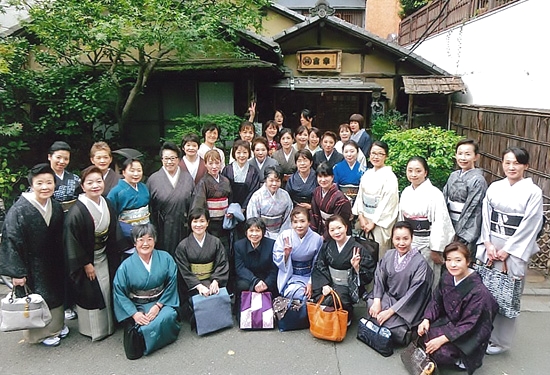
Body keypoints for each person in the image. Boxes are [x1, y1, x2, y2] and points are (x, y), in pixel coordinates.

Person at [476, 146, 543, 355]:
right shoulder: (495, 187)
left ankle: (500, 341)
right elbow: (486, 217)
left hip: (514, 248)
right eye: (507, 162)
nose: (511, 167)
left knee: (508, 292)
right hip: (492, 242)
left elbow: (531, 224)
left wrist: (508, 250)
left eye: (516, 163)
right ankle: (483, 332)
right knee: (486, 290)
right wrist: (487, 242)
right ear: (502, 163)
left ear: (526, 166)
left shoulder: (533, 192)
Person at [0, 164, 66, 346]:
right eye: (40, 183)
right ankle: (39, 335)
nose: (45, 187)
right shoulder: (19, 210)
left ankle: (56, 328)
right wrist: (17, 273)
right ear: (32, 185)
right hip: (30, 263)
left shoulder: (55, 206)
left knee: (54, 294)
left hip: (53, 260)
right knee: (35, 297)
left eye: (49, 183)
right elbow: (10, 240)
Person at [418, 242, 498, 374]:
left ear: (468, 261)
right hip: (449, 322)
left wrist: (442, 339)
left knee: (439, 352)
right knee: (421, 333)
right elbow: (436, 300)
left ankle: (461, 359)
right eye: (449, 260)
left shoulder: (479, 292)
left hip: (468, 333)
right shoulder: (447, 277)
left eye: (458, 260)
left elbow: (471, 324)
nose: (453, 264)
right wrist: (426, 319)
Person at [64, 166, 121, 341]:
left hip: (104, 253)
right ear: (82, 186)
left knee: (107, 288)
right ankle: (94, 330)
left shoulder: (106, 203)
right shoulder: (77, 211)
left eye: (98, 181)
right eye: (90, 182)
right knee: (92, 291)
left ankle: (110, 326)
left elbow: (113, 231)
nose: (95, 185)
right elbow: (71, 241)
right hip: (87, 258)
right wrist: (86, 264)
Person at [113, 224, 180, 356]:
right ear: (134, 243)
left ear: (155, 241)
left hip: (161, 301)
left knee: (169, 315)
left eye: (149, 239)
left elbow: (172, 283)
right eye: (141, 240)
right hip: (138, 305)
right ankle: (144, 337)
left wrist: (158, 306)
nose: (145, 244)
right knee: (144, 324)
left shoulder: (165, 258)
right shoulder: (125, 266)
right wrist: (134, 314)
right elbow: (119, 292)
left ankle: (148, 336)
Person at [366, 221, 434, 345]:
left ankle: (401, 330)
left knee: (388, 319)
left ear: (412, 238)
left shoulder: (420, 263)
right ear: (392, 239)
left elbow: (414, 294)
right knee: (371, 302)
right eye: (397, 239)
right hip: (389, 298)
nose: (401, 243)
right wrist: (377, 301)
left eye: (405, 239)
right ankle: (388, 326)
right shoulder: (389, 254)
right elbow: (379, 277)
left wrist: (390, 311)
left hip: (407, 307)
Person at [399, 156, 455, 286]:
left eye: (418, 171)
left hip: (427, 243)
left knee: (427, 279)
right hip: (408, 241)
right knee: (409, 277)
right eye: (410, 170)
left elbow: (440, 223)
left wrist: (435, 249)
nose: (413, 174)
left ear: (425, 172)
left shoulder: (435, 194)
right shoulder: (406, 192)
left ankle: (429, 306)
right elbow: (401, 219)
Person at [311, 215, 376, 323]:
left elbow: (368, 271)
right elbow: (319, 265)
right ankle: (329, 319)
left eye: (339, 228)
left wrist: (356, 268)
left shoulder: (358, 248)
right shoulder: (327, 246)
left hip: (349, 285)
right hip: (330, 282)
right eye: (332, 230)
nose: (336, 232)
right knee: (321, 295)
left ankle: (344, 317)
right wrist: (324, 284)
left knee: (339, 297)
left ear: (346, 227)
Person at [174, 208, 229, 317]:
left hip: (211, 280)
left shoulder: (215, 242)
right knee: (200, 299)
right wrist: (198, 286)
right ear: (190, 223)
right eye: (195, 221)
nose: (198, 225)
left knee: (213, 294)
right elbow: (183, 271)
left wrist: (216, 281)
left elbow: (222, 263)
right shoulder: (183, 246)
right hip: (193, 285)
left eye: (202, 221)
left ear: (208, 223)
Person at [147, 142, 195, 255]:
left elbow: (193, 205)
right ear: (161, 159)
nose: (169, 162)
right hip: (161, 229)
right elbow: (149, 209)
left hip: (183, 227)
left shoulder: (187, 178)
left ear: (178, 159)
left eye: (173, 158)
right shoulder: (153, 180)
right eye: (166, 158)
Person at [353, 141, 399, 258]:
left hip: (379, 223)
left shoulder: (390, 177)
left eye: (380, 154)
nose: (375, 156)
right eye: (373, 153)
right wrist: (361, 216)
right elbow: (360, 197)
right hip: (364, 219)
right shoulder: (367, 174)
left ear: (386, 156)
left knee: (379, 254)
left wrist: (374, 222)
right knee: (363, 254)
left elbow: (388, 203)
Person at [442, 139, 487, 251]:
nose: (463, 158)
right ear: (455, 155)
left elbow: (473, 208)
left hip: (466, 229)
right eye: (460, 153)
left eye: (467, 154)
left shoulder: (478, 180)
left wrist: (458, 232)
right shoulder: (453, 175)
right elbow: (444, 199)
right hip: (449, 223)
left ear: (476, 157)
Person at [273, 207, 323, 300]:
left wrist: (311, 282)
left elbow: (319, 263)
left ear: (309, 222)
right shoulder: (285, 235)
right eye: (295, 222)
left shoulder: (317, 239)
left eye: (302, 221)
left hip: (309, 275)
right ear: (291, 223)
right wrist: (286, 254)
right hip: (290, 275)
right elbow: (277, 258)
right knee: (295, 292)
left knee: (307, 294)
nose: (299, 225)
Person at [191, 149, 232, 252]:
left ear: (221, 163)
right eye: (210, 163)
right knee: (212, 247)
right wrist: (202, 220)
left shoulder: (225, 180)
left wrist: (230, 211)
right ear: (205, 164)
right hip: (211, 222)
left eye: (217, 163)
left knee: (225, 248)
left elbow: (230, 199)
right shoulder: (203, 182)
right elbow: (199, 203)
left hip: (225, 221)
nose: (214, 166)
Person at [234, 218, 279, 307]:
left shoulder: (272, 244)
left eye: (257, 231)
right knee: (242, 285)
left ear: (263, 232)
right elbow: (240, 268)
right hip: (249, 279)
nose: (254, 234)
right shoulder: (239, 245)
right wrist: (255, 281)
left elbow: (275, 269)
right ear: (246, 232)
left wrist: (267, 283)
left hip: (266, 279)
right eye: (251, 230)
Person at [107, 158, 150, 247]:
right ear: (123, 172)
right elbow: (110, 213)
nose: (136, 174)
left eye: (139, 170)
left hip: (146, 228)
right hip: (126, 231)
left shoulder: (144, 187)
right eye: (132, 170)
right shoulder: (116, 191)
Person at [247, 166, 293, 240]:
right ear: (265, 180)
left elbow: (288, 217)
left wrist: (282, 235)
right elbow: (253, 218)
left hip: (281, 234)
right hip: (261, 234)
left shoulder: (285, 195)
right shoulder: (257, 196)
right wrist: (261, 233)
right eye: (271, 180)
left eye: (277, 181)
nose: (274, 184)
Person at [310, 163, 352, 241]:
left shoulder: (340, 198)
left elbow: (340, 221)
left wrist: (324, 237)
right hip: (321, 227)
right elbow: (314, 213)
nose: (323, 180)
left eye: (326, 176)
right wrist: (313, 233)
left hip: (336, 231)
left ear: (332, 177)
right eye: (320, 176)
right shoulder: (317, 191)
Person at [48, 141, 81, 212]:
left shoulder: (75, 179)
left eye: (66, 159)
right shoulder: (41, 178)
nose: (62, 161)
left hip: (72, 216)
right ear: (49, 157)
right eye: (58, 157)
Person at [333, 140, 366, 206]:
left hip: (358, 201)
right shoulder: (336, 168)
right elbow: (335, 187)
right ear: (342, 153)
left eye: (352, 151)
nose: (349, 154)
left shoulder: (363, 169)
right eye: (346, 152)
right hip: (341, 201)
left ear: (357, 152)